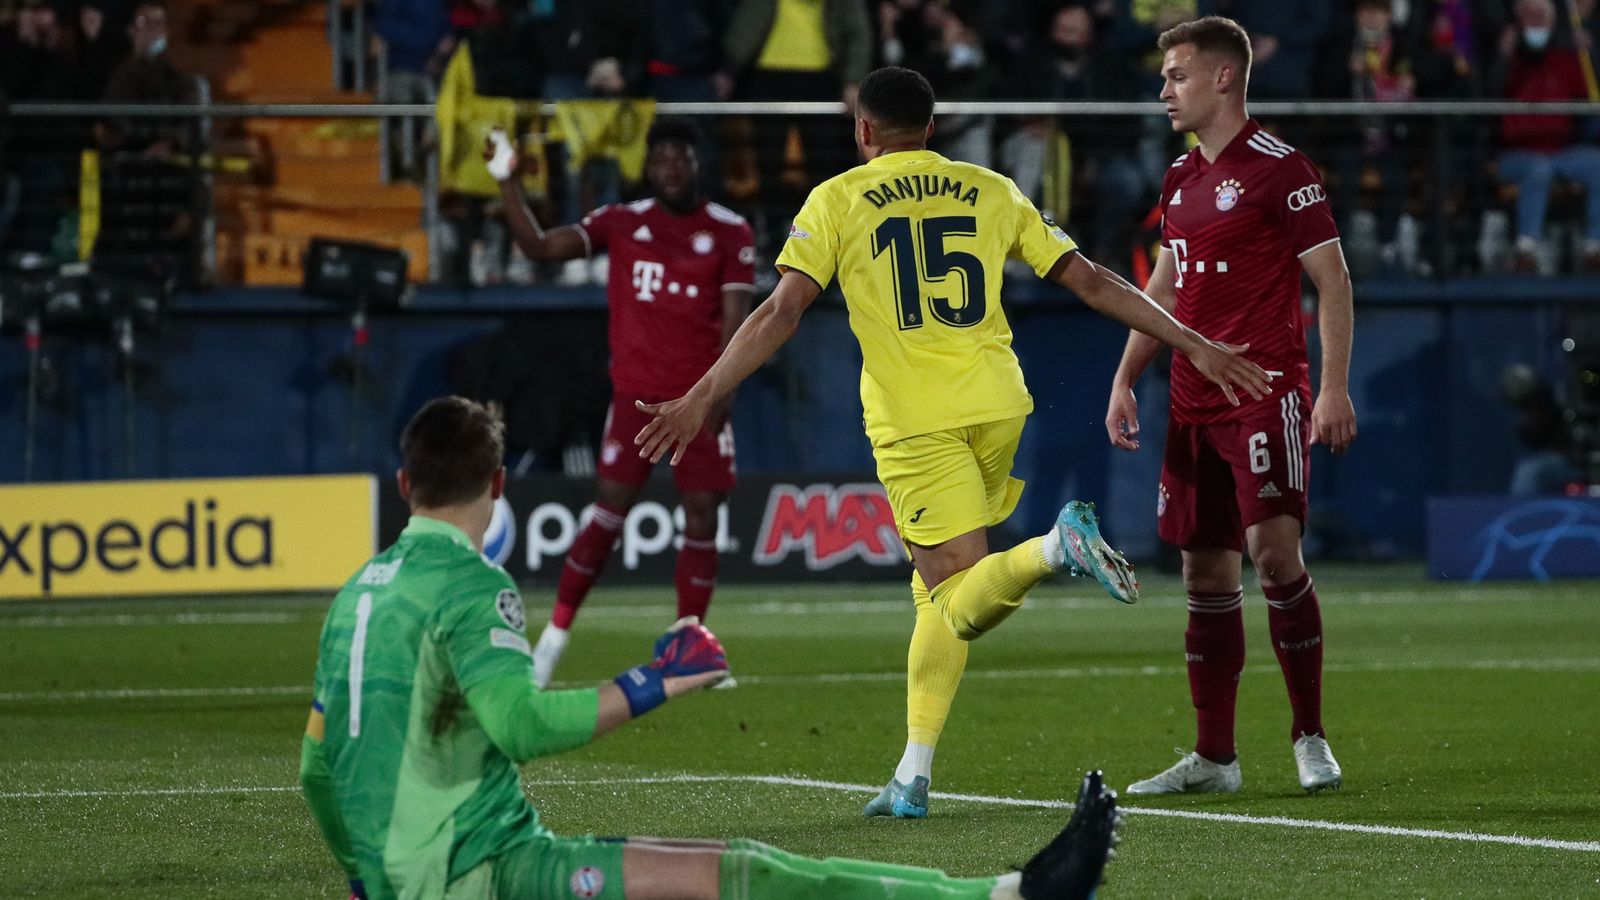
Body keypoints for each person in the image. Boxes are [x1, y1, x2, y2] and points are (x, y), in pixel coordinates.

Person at [636, 65, 1273, 819]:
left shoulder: (837, 198)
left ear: (864, 130)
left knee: (956, 598)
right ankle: (912, 773)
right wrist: (1191, 343)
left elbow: (780, 312)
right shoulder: (988, 186)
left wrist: (701, 396)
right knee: (931, 594)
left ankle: (1055, 549)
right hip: (999, 405)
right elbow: (1093, 278)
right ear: (931, 129)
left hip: (917, 420)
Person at [299, 395, 1124, 900]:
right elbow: (520, 726)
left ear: (405, 485)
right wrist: (660, 679)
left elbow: (317, 771)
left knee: (731, 869)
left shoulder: (354, 597)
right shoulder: (475, 586)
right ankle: (1006, 896)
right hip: (491, 874)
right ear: (502, 483)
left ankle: (1010, 893)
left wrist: (368, 877)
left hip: (432, 873)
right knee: (758, 877)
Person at [1103, 16, 1357, 795]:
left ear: (1222, 77)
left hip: (1264, 391)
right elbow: (1165, 289)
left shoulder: (1284, 170)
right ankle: (1215, 758)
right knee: (1203, 571)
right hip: (1190, 400)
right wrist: (1124, 377)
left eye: (1176, 75)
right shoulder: (1180, 179)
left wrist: (1334, 386)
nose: (1163, 90)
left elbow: (1334, 281)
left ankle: (1309, 736)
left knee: (1274, 554)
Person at [487, 118, 757, 688]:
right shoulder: (624, 222)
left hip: (697, 400)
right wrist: (507, 181)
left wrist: (722, 390)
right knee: (607, 514)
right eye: (661, 159)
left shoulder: (731, 232)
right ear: (647, 166)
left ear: (696, 163)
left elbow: (738, 321)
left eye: (681, 157)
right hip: (635, 399)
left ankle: (694, 647)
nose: (671, 168)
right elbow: (539, 246)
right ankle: (552, 644)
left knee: (702, 514)